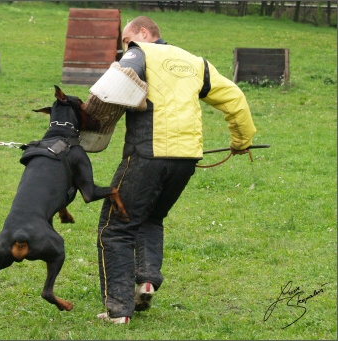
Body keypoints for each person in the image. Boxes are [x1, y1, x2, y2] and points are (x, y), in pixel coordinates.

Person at [95, 16, 257, 324]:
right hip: (186, 158)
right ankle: (146, 280)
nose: (125, 47)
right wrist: (240, 141)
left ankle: (118, 311)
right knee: (151, 217)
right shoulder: (196, 62)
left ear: (143, 33)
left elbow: (106, 92)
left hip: (147, 153)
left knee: (115, 227)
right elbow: (234, 97)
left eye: (127, 40)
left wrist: (81, 131)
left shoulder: (139, 51)